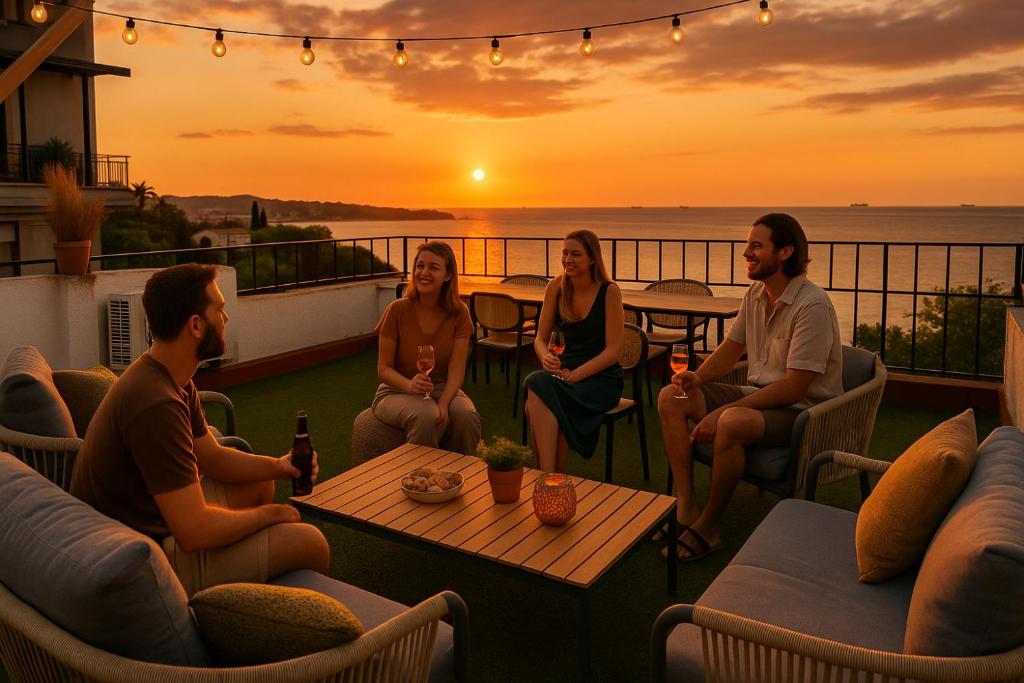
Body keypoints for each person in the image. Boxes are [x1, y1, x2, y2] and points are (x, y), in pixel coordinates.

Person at [71, 264, 329, 596]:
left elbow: (212, 456)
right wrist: (271, 515)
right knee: (312, 544)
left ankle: (240, 582)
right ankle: (225, 603)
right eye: (219, 310)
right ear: (195, 325)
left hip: (160, 520)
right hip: (142, 559)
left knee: (260, 482)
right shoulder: (155, 403)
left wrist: (279, 466)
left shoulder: (170, 374)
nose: (226, 319)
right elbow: (193, 531)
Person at [656, 213, 843, 561]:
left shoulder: (812, 305)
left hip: (801, 411)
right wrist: (697, 377)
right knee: (672, 396)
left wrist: (724, 411)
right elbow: (730, 349)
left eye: (756, 246)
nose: (746, 253)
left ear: (785, 252)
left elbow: (794, 388)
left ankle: (709, 527)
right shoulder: (756, 294)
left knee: (731, 422)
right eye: (748, 245)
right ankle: (685, 507)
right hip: (757, 396)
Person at [524, 229, 624, 473]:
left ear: (592, 259)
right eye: (565, 253)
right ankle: (551, 478)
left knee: (537, 390)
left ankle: (547, 477)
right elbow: (540, 339)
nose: (568, 259)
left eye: (576, 254)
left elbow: (614, 351)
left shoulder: (609, 291)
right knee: (539, 387)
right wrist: (545, 356)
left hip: (600, 377)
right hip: (563, 373)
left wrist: (576, 375)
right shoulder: (555, 288)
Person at [373, 240, 481, 454]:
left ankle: (462, 477)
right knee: (427, 414)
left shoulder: (459, 313)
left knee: (466, 416)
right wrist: (409, 385)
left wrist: (444, 402)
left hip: (441, 387)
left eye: (433, 267)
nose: (424, 272)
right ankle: (418, 480)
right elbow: (383, 369)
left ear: (448, 275)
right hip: (396, 390)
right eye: (420, 266)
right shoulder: (397, 310)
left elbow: (456, 369)